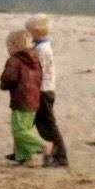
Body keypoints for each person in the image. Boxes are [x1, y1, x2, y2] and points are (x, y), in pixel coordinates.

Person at [0, 29, 49, 167]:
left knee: (19, 131)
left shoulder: (14, 60)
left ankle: (43, 146)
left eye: (8, 46)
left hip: (21, 100)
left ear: (15, 46)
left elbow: (8, 78)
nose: (8, 50)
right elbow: (40, 77)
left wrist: (4, 84)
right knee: (23, 129)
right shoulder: (34, 59)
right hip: (33, 99)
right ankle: (27, 158)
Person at [27, 14, 69, 167]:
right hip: (42, 90)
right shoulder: (40, 47)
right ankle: (24, 152)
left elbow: (38, 71)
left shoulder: (42, 49)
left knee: (48, 126)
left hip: (43, 91)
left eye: (29, 31)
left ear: (36, 31)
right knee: (30, 123)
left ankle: (60, 156)